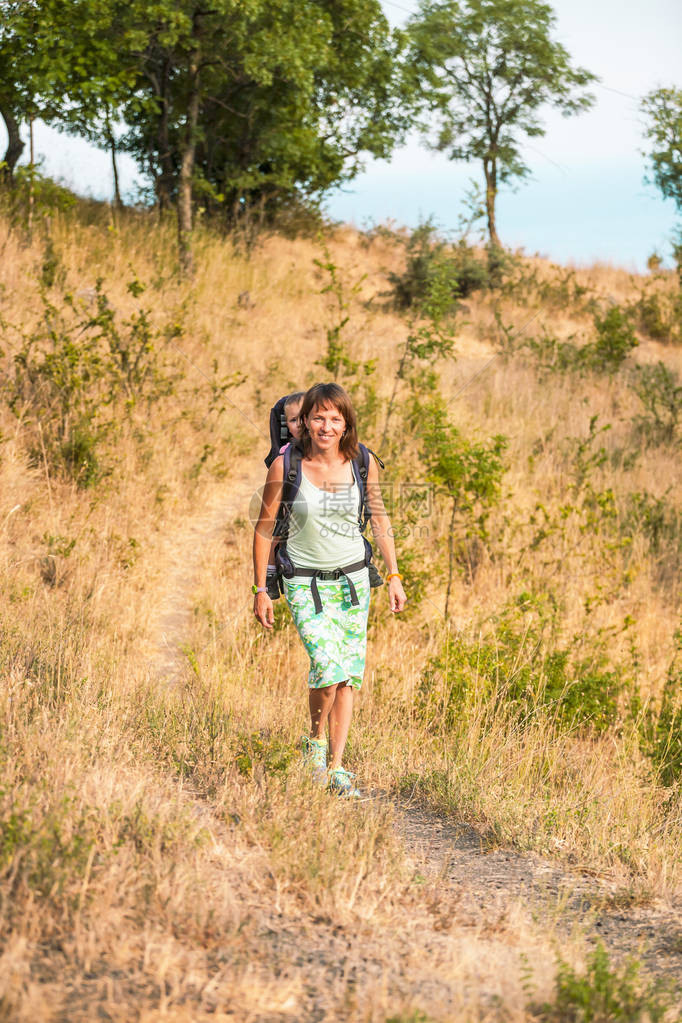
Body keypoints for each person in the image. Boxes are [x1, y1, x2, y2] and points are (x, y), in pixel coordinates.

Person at [252, 382, 407, 798]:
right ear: (305, 422)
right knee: (326, 666)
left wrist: (393, 575)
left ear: (346, 424)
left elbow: (379, 519)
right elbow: (264, 529)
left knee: (348, 677)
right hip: (303, 580)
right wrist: (260, 589)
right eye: (318, 417)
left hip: (354, 581)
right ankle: (315, 743)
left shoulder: (362, 461)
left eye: (335, 418)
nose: (326, 425)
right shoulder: (286, 467)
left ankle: (337, 767)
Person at [263, 392, 304, 599]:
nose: (300, 424)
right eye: (293, 420)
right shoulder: (286, 452)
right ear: (286, 425)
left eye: (304, 417)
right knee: (277, 529)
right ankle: (270, 573)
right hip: (290, 499)